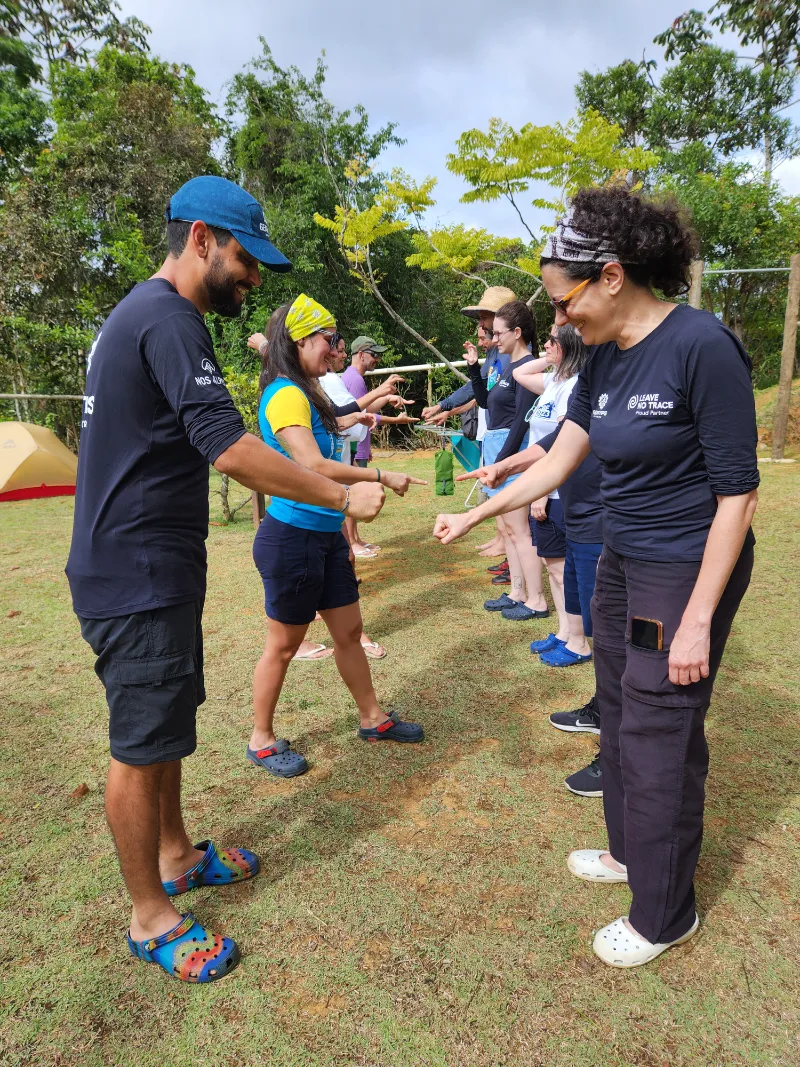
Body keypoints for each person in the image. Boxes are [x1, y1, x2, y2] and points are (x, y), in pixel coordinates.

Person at [65, 177, 385, 983]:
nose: (253, 279)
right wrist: (344, 487)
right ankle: (151, 916)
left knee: (166, 726)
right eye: (245, 259)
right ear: (201, 238)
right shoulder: (170, 319)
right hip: (133, 571)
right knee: (140, 746)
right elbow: (231, 447)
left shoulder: (142, 315)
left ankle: (177, 856)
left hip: (149, 567)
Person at [434, 184, 759, 967]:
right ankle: (627, 852)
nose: (559, 319)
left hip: (681, 569)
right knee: (616, 706)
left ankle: (662, 911)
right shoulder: (605, 362)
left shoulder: (701, 346)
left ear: (611, 275)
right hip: (621, 558)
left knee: (659, 728)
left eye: (562, 300)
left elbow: (738, 493)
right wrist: (480, 513)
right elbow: (558, 455)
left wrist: (695, 617)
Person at [248, 295, 426, 779]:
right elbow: (311, 465)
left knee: (348, 632)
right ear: (302, 339)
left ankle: (373, 719)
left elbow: (332, 430)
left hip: (325, 538)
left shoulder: (305, 391)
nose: (335, 349)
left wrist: (360, 418)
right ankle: (261, 739)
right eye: (328, 340)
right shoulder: (285, 393)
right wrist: (379, 476)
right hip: (293, 538)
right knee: (283, 646)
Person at [468, 300, 551, 622]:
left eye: (499, 333)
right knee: (508, 529)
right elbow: (487, 403)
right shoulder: (506, 367)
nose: (494, 338)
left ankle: (536, 600)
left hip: (513, 451)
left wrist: (503, 464)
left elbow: (522, 422)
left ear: (517, 333)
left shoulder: (528, 367)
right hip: (498, 447)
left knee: (520, 531)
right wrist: (475, 369)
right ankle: (517, 592)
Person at [512, 323, 591, 656]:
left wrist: (542, 492)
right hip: (545, 487)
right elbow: (519, 373)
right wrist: (549, 358)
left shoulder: (572, 386)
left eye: (550, 341)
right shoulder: (554, 381)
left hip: (556, 493)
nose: (543, 344)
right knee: (552, 565)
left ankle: (578, 639)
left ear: (568, 347)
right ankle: (563, 632)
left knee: (560, 569)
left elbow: (560, 442)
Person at [422, 286, 516, 559]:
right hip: (497, 436)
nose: (481, 324)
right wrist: (443, 405)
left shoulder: (514, 354)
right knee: (500, 498)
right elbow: (477, 392)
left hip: (509, 438)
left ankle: (514, 563)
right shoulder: (496, 355)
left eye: (484, 317)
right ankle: (508, 554)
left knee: (512, 506)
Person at [341, 335, 419, 554]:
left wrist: (387, 399)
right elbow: (359, 414)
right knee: (353, 494)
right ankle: (352, 543)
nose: (377, 359)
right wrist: (396, 417)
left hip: (359, 446)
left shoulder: (352, 378)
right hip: (354, 448)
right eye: (374, 355)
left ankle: (355, 538)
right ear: (361, 355)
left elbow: (364, 410)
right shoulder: (355, 379)